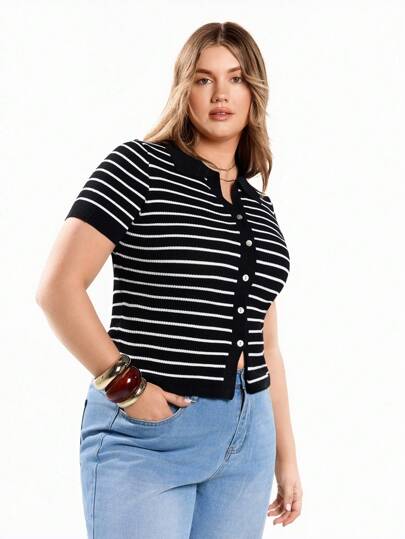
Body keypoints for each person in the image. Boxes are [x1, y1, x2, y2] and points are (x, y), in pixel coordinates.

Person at [36, 21, 303, 539]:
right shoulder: (138, 167)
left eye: (236, 78)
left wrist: (285, 455)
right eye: (204, 79)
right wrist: (128, 388)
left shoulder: (259, 207)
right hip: (149, 438)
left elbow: (266, 343)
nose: (221, 93)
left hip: (249, 441)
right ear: (185, 89)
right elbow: (58, 288)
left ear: (254, 92)